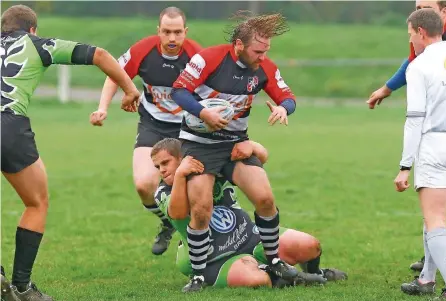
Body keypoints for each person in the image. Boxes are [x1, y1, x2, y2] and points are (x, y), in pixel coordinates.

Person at [0, 5, 140, 301]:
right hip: (9, 125)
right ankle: (22, 288)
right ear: (32, 30)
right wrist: (129, 89)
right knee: (36, 203)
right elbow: (99, 54)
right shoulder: (37, 45)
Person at [170, 11, 299, 292]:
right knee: (201, 210)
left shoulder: (264, 68)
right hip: (199, 144)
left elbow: (288, 97)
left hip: (236, 145)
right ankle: (199, 275)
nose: (262, 57)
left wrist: (282, 107)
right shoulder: (209, 59)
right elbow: (179, 91)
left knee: (265, 197)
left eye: (266, 51)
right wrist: (204, 113)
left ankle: (274, 260)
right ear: (239, 45)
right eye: (257, 51)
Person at [151, 138, 347, 289]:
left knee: (310, 245)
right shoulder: (163, 191)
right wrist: (179, 175)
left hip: (251, 237)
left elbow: (260, 159)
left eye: (165, 163)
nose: (161, 170)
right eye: (157, 167)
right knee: (256, 280)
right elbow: (177, 214)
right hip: (213, 257)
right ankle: (294, 279)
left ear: (183, 156)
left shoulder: (213, 167)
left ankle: (315, 274)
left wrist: (251, 145)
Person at [366, 0, 446, 273]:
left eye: (426, 5)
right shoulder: (421, 36)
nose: (419, 10)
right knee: (437, 198)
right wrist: (387, 88)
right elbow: (412, 65)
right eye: (417, 5)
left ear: (444, 11)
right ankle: (434, 261)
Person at [89, 7, 202, 255]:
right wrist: (102, 108)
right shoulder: (143, 50)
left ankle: (193, 236)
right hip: (152, 123)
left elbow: (214, 90)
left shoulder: (197, 57)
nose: (172, 38)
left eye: (177, 32)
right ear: (158, 31)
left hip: (187, 128)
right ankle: (169, 222)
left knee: (193, 188)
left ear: (186, 32)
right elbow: (114, 75)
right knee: (143, 185)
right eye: (166, 32)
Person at [393, 8, 446, 300]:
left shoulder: (419, 66)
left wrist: (404, 165)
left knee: (435, 218)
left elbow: (414, 118)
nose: (411, 40)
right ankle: (426, 279)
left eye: (411, 34)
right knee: (433, 215)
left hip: (436, 147)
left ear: (421, 32)